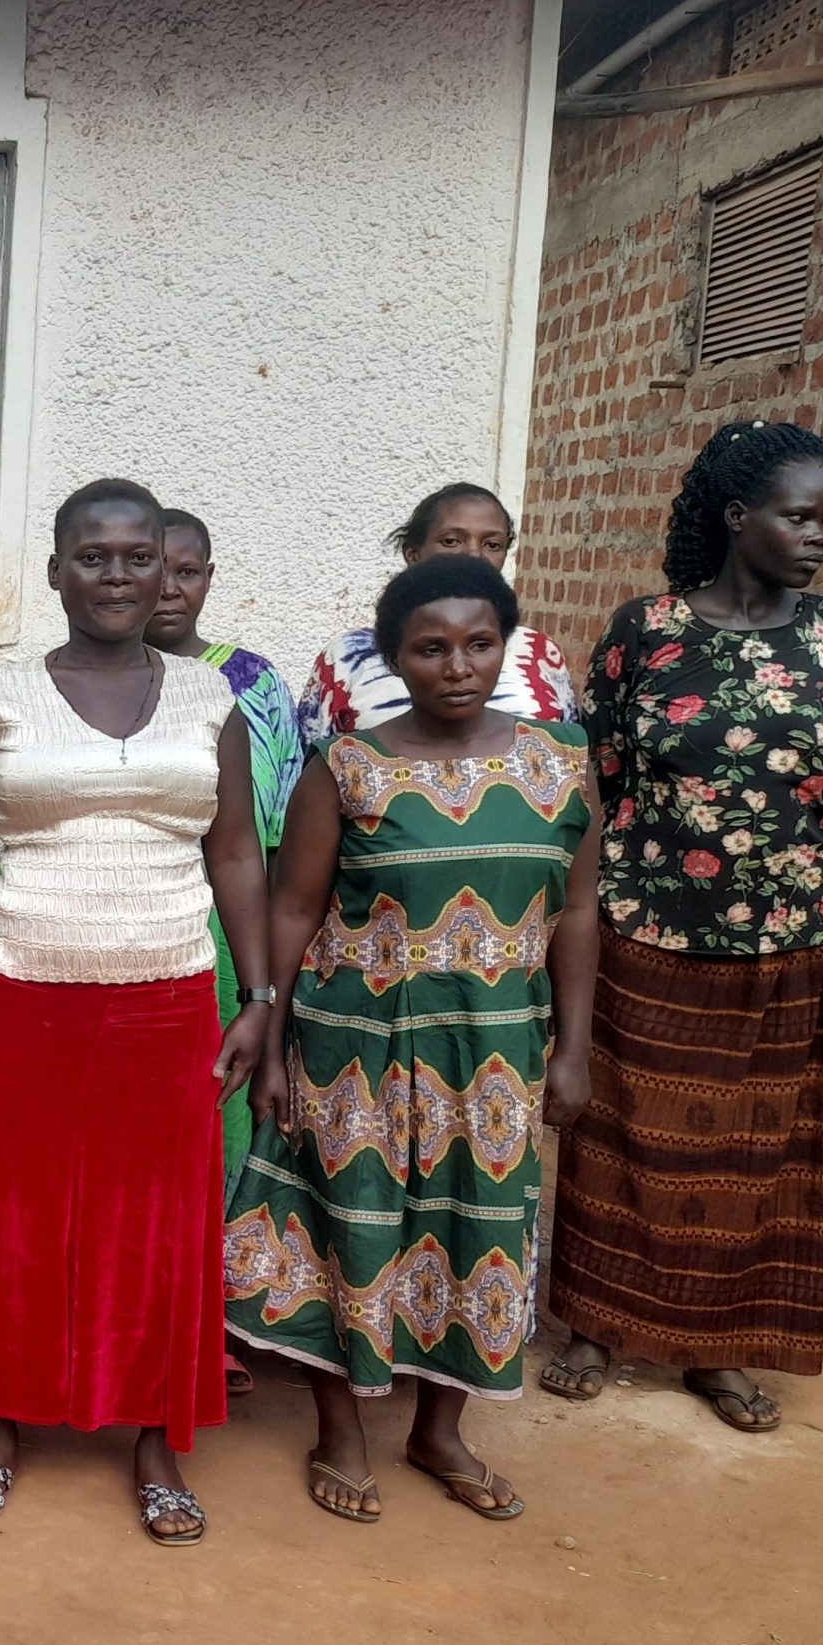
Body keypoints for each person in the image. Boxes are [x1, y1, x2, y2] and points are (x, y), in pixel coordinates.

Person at [0, 478, 273, 1539]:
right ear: (55, 569)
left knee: (158, 1226)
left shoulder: (208, 701)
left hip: (168, 996)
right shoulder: (0, 699)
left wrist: (257, 995)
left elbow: (236, 854)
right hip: (24, 993)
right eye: (92, 555)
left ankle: (156, 1437)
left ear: (165, 569)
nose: (116, 575)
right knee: (11, 1222)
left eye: (137, 557)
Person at [225, 557, 598, 1524]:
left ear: (505, 647)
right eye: (430, 648)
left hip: (498, 1050)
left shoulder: (562, 762)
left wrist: (573, 1049)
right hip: (357, 1046)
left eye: (479, 643)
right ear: (395, 659)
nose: (458, 665)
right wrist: (268, 1037)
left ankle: (441, 1430)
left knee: (480, 1231)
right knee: (351, 1227)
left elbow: (580, 913)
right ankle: (341, 1431)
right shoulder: (348, 766)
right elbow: (294, 906)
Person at [543, 420, 823, 1430]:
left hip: (793, 934)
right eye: (797, 515)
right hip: (647, 921)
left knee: (760, 1149)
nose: (819, 535)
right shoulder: (643, 629)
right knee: (623, 1135)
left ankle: (717, 1349)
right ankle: (597, 1325)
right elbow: (597, 783)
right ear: (738, 516)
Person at [149, 505, 304, 1224]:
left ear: (209, 580)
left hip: (223, 926)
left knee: (215, 1103)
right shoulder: (73, 684)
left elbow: (271, 841)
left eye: (189, 573)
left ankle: (210, 1275)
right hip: (117, 920)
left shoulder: (251, 683)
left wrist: (263, 982)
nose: (170, 588)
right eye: (159, 569)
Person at [294, 484, 578, 750]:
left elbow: (568, 764)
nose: (473, 555)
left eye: (492, 544)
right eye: (451, 541)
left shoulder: (538, 651)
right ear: (413, 554)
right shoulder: (348, 658)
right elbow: (313, 764)